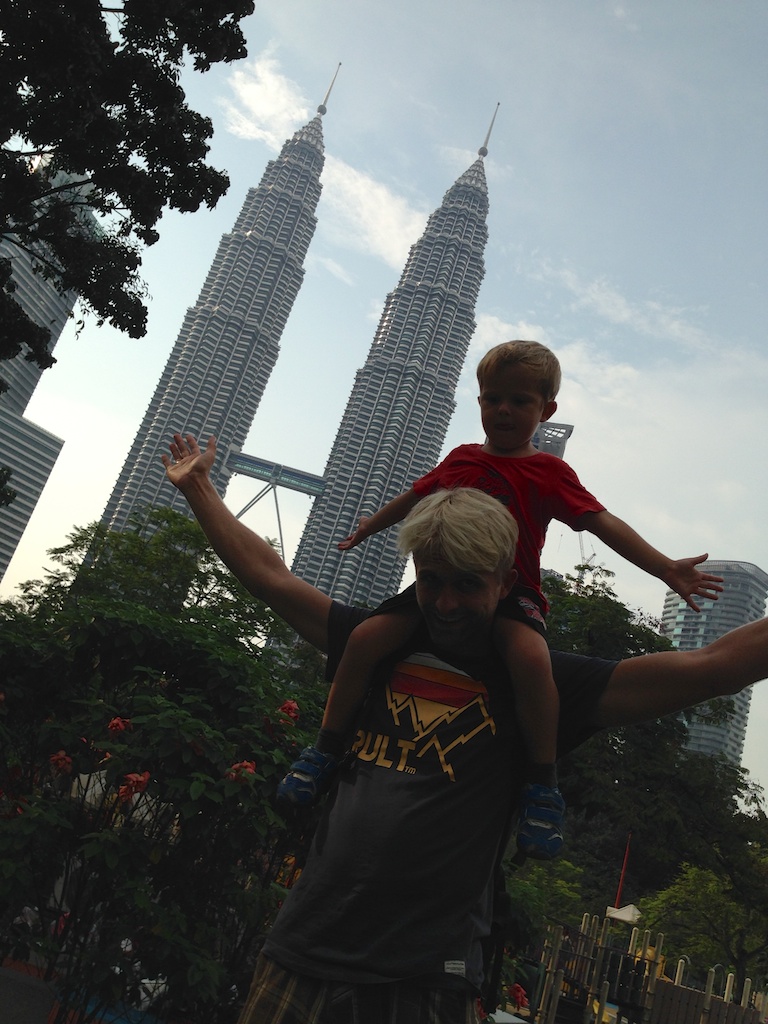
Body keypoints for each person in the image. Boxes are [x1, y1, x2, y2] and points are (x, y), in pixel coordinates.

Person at [163, 432, 766, 1024]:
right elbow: (271, 577)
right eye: (431, 582)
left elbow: (710, 669)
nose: (445, 604)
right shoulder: (374, 649)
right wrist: (200, 491)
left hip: (426, 980)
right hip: (300, 955)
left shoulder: (536, 683)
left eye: (468, 585)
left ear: (506, 583)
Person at [277, 341, 723, 861]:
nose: (503, 411)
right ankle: (325, 749)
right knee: (365, 638)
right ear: (480, 402)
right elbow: (416, 496)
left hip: (512, 594)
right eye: (492, 399)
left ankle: (540, 784)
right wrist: (368, 528)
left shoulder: (549, 474)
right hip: (440, 589)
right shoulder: (462, 459)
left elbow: (601, 523)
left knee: (533, 660)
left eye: (519, 401)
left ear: (545, 411)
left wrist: (665, 567)